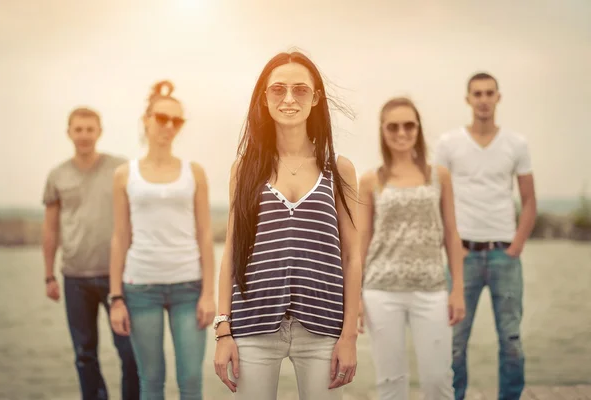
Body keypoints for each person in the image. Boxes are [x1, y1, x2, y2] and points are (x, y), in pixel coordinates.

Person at [212, 51, 362, 400]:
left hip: (324, 325)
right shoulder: (244, 169)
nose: (289, 99)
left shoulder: (338, 168)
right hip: (253, 323)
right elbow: (231, 252)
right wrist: (223, 332)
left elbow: (352, 258)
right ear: (264, 99)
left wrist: (349, 335)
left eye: (300, 90)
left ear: (316, 97)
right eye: (278, 89)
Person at [108, 80, 216, 400]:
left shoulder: (193, 172)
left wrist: (209, 293)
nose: (169, 126)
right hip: (141, 287)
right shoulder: (124, 174)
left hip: (188, 287)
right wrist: (116, 297)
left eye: (177, 121)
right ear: (146, 119)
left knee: (191, 379)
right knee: (151, 381)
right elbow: (120, 237)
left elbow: (205, 234)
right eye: (162, 118)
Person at [434, 72, 537, 400]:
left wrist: (516, 245)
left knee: (510, 339)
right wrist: (451, 248)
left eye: (489, 93)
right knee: (455, 340)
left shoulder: (516, 144)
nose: (483, 99)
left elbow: (530, 200)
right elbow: (437, 198)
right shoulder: (448, 144)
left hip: (503, 254)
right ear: (468, 99)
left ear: (498, 97)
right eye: (477, 93)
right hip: (462, 255)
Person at [357, 97, 465, 400]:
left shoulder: (438, 176)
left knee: (438, 381)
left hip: (431, 290)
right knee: (390, 383)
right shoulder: (370, 180)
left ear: (418, 129)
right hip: (381, 291)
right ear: (382, 130)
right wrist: (354, 296)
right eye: (393, 126)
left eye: (409, 125)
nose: (401, 132)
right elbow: (361, 242)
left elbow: (452, 235)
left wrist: (457, 289)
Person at [42, 107, 139, 399]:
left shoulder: (121, 168)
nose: (84, 135)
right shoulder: (57, 175)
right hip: (75, 278)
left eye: (89, 129)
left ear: (99, 132)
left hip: (118, 277)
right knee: (85, 355)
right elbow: (50, 229)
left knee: (130, 354)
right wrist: (48, 275)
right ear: (69, 133)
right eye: (78, 129)